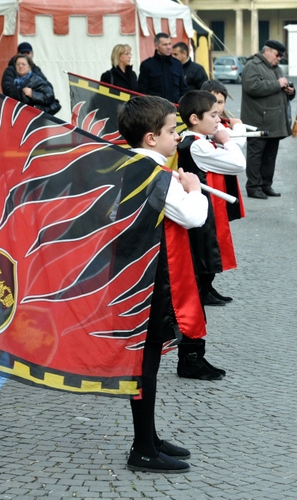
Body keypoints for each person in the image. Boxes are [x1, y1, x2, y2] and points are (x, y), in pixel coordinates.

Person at [118, 95, 208, 473]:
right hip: (150, 281)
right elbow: (192, 217)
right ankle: (142, 448)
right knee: (146, 364)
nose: (178, 137)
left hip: (136, 276)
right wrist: (194, 188)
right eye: (172, 131)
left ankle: (150, 437)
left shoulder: (132, 166)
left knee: (148, 362)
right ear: (152, 138)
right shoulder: (156, 176)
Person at [177, 90, 246, 380]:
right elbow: (238, 163)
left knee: (197, 291)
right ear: (195, 119)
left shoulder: (196, 141)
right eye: (214, 115)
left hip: (200, 224)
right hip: (199, 229)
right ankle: (190, 357)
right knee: (195, 293)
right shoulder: (197, 146)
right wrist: (227, 139)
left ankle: (192, 354)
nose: (219, 120)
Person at [200, 79, 247, 306]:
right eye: (213, 102)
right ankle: (203, 288)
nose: (217, 108)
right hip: (209, 189)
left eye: (220, 102)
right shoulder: (206, 131)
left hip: (219, 186)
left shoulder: (216, 125)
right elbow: (237, 152)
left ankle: (208, 286)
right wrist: (238, 128)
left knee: (218, 239)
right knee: (210, 241)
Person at [241, 40, 295, 199]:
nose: (279, 59)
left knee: (270, 156)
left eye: (281, 56)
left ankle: (266, 185)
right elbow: (252, 87)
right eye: (277, 55)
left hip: (274, 121)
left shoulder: (276, 68)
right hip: (258, 121)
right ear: (267, 51)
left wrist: (290, 91)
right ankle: (253, 187)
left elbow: (281, 86)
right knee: (256, 155)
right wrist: (277, 84)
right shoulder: (253, 65)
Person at [137, 32, 187, 102]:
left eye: (169, 44)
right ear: (156, 46)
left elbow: (183, 89)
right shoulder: (147, 65)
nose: (168, 47)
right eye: (165, 45)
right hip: (155, 106)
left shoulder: (177, 64)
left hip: (174, 106)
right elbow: (142, 90)